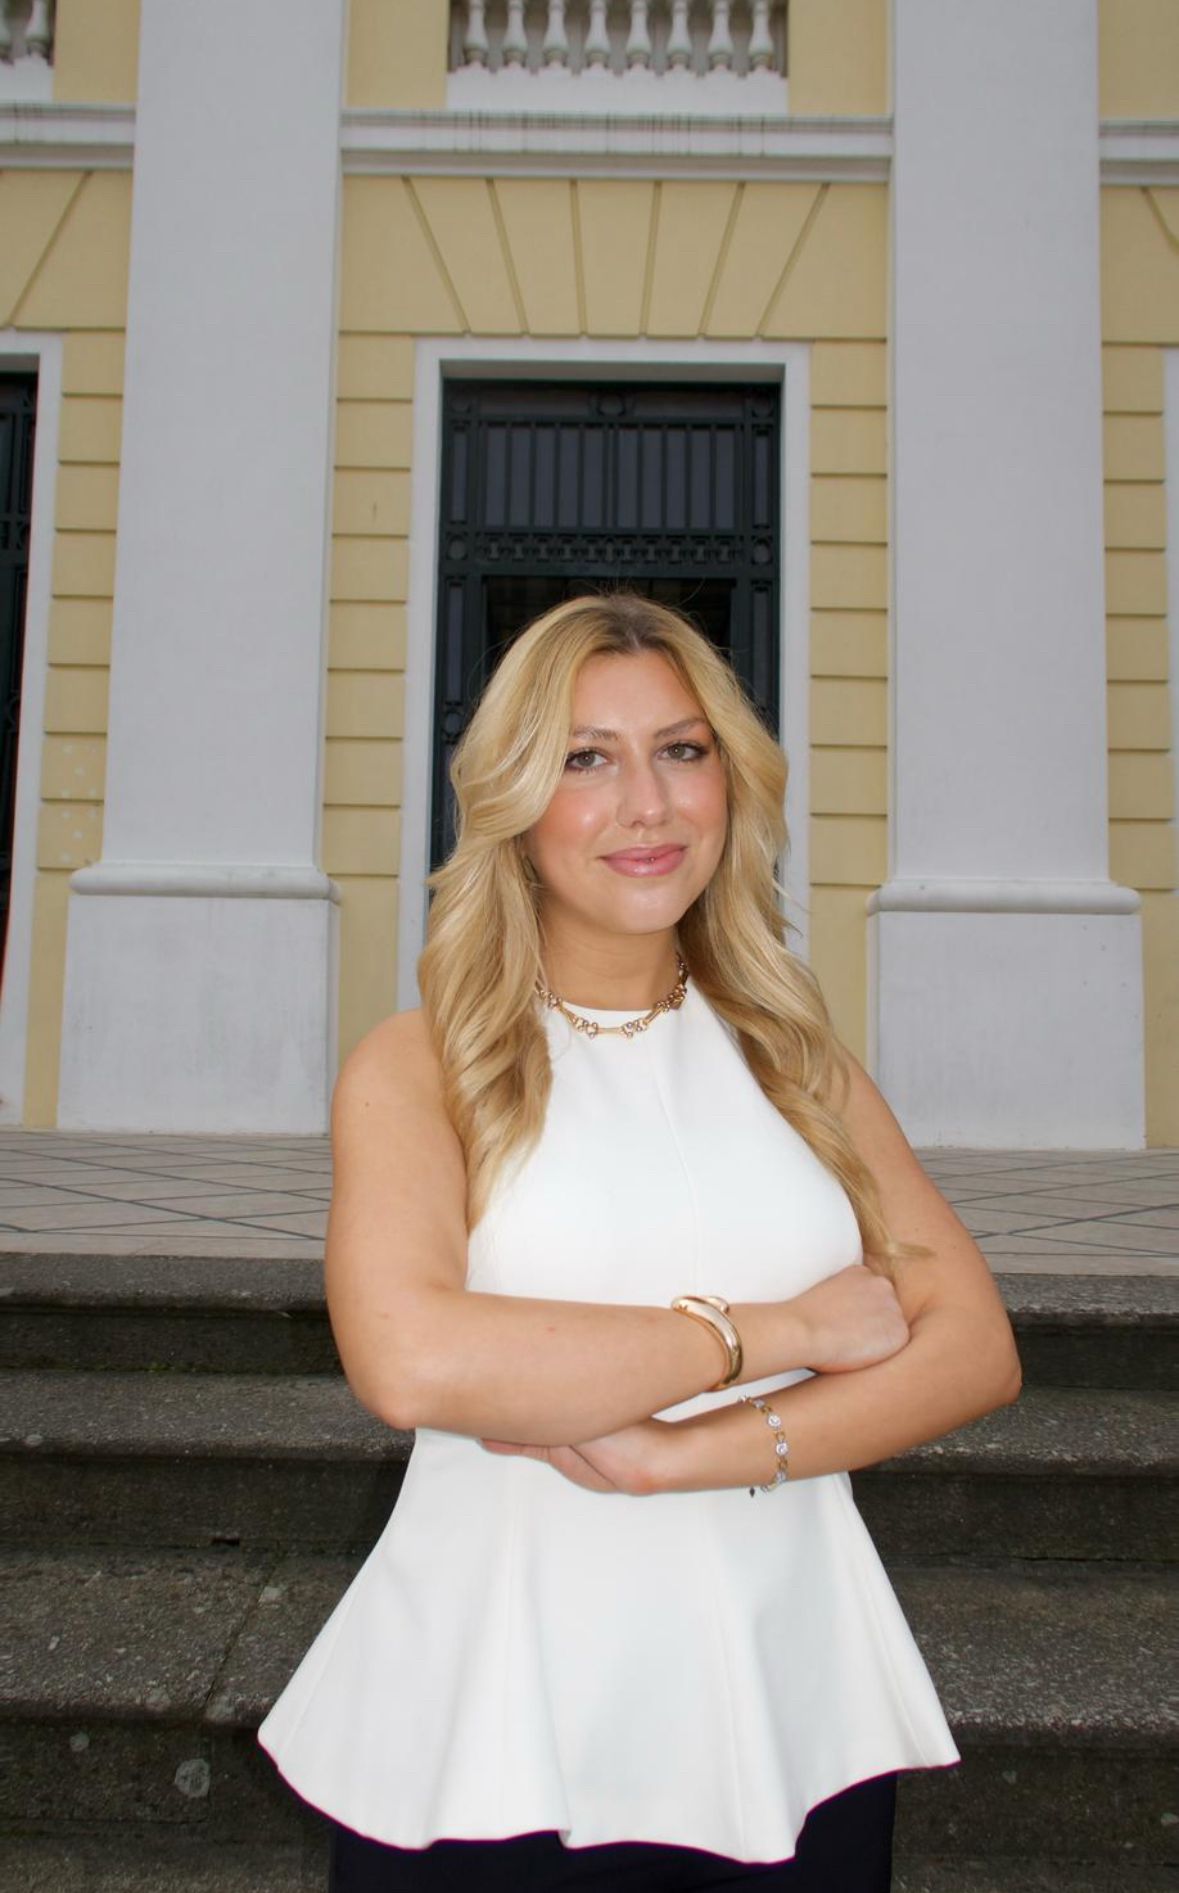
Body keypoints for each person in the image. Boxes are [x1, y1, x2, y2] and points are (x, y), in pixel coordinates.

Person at [257, 592, 1022, 1891]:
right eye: (585, 759)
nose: (649, 805)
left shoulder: (796, 1060)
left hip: (790, 1697)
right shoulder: (422, 1065)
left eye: (681, 750)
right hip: (492, 1723)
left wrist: (678, 1458)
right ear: (513, 799)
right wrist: (777, 1333)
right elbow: (413, 1358)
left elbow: (975, 1350)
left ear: (731, 779)